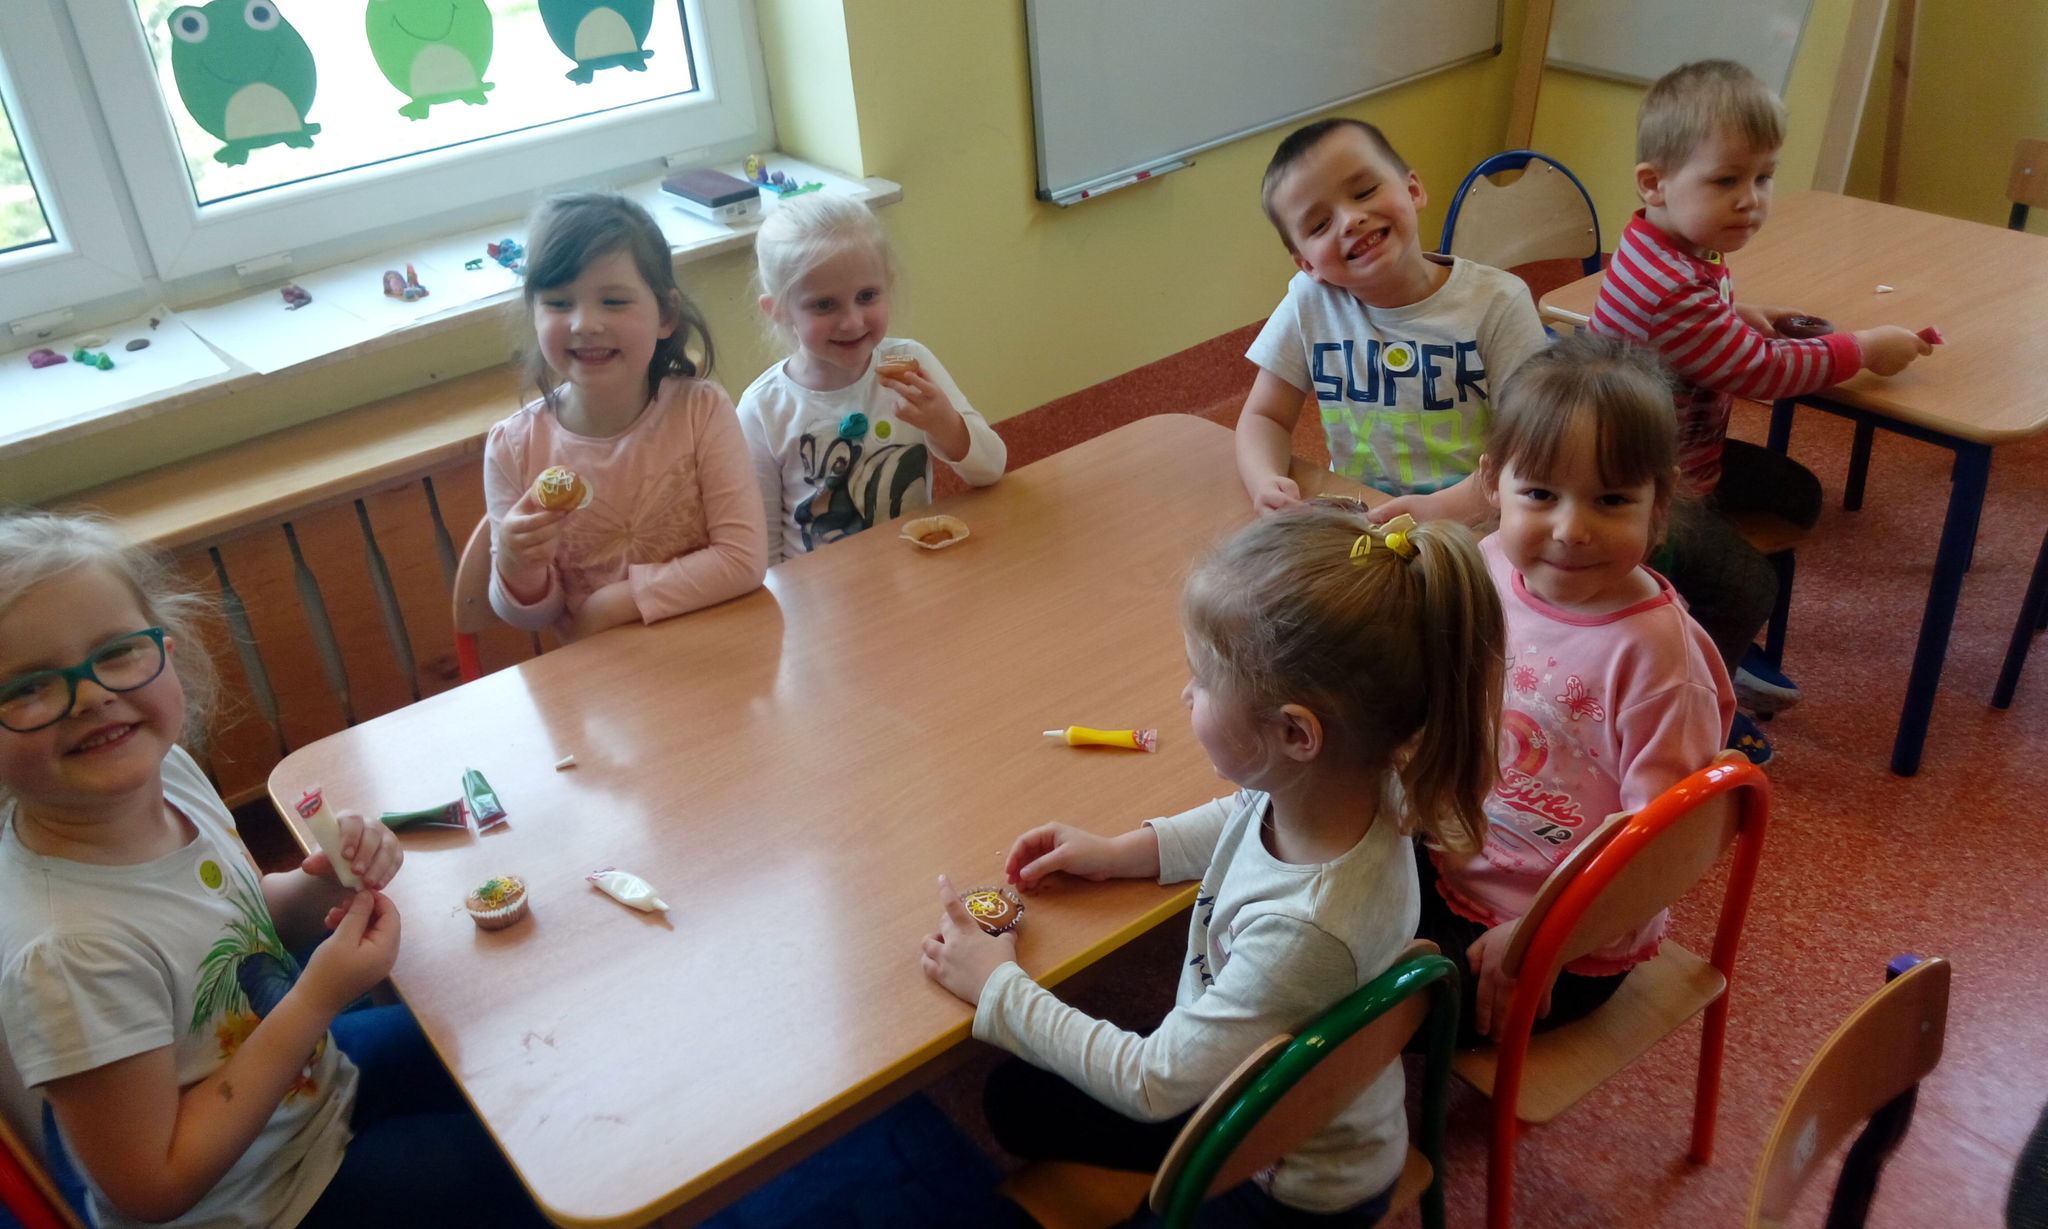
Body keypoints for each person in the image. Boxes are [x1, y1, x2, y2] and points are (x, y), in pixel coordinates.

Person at [921, 502, 1504, 1227]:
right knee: (1014, 1098)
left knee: (1023, 1133)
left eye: (1201, 680)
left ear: (1296, 733)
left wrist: (996, 986)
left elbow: (1151, 1080)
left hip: (1285, 1183)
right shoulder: (1359, 784)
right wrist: (1123, 852)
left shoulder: (1307, 930)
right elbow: (1244, 813)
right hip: (1255, 1084)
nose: (1184, 694)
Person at [0, 512, 545, 1228]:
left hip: (311, 1090)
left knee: (524, 1052)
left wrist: (327, 880)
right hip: (268, 1202)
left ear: (164, 651)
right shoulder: (66, 953)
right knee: (543, 1165)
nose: (93, 695)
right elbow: (153, 1185)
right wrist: (318, 997)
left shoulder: (166, 773)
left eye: (118, 652)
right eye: (28, 688)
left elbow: (240, 919)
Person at [1588, 59, 1936, 762]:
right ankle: (1688, 701)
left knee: (1795, 492)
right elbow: (1763, 372)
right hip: (1638, 489)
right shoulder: (1670, 285)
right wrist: (1862, 348)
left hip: (1681, 458)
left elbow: (1704, 319)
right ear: (1654, 183)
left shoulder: (1677, 245)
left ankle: (1708, 639)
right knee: (1749, 586)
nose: (1750, 200)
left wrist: (1739, 311)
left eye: (1763, 177)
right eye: (1726, 181)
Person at [1419, 332, 1734, 1045]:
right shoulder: (1488, 564)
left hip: (1568, 942)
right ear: (1492, 481)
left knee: (1368, 1009)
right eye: (1540, 493)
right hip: (1450, 862)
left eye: (1611, 499)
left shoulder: (1659, 661)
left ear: (1659, 503)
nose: (1570, 530)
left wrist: (1540, 938)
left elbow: (1658, 852)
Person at [1235, 117, 1548, 520]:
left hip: (1474, 519)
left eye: (1364, 191)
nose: (1350, 220)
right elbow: (1265, 416)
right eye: (1320, 224)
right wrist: (1265, 480)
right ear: (1307, 264)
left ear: (1413, 190)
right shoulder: (1309, 301)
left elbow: (1535, 443)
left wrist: (1443, 508)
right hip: (1361, 516)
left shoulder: (1499, 302)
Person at [486, 192, 766, 641]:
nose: (584, 323)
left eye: (614, 301)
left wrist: (611, 605)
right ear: (533, 313)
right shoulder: (512, 449)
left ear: (665, 314)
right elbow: (533, 616)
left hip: (719, 643)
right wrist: (518, 567)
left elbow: (742, 560)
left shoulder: (701, 412)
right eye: (558, 303)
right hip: (604, 673)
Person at [739, 194, 1006, 564]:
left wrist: (945, 424)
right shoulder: (762, 409)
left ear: (888, 286)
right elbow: (762, 553)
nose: (852, 322)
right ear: (779, 311)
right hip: (820, 594)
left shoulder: (912, 365)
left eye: (867, 296)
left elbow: (991, 469)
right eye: (824, 304)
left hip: (916, 573)